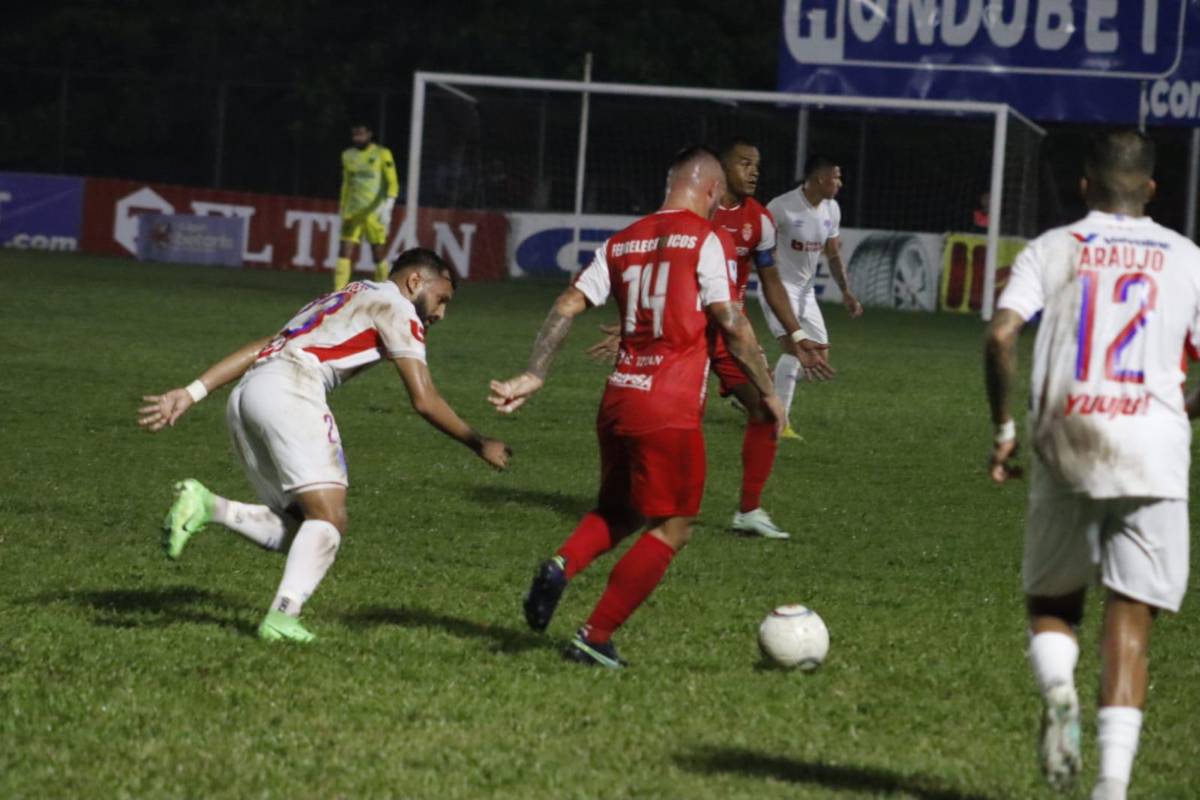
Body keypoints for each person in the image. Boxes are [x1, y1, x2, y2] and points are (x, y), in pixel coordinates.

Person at [488, 146, 799, 668]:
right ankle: (595, 636)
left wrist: (535, 372)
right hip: (668, 409)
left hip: (618, 401)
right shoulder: (707, 239)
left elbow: (567, 304)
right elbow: (731, 320)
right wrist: (767, 391)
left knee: (620, 510)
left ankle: (562, 565)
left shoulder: (621, 240)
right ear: (711, 190)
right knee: (674, 526)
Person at [139, 248, 510, 643]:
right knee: (331, 518)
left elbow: (267, 343)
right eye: (441, 299)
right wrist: (479, 443)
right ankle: (282, 618)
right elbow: (425, 399)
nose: (441, 313)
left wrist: (193, 391)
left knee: (305, 525)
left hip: (248, 395)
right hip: (291, 389)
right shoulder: (398, 308)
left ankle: (209, 506)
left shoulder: (351, 292)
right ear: (415, 281)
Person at [984, 130, 1200, 800]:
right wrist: (1182, 410)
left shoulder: (1054, 246)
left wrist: (1004, 428)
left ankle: (1058, 691)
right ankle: (1111, 787)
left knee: (1054, 603)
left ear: (1085, 186)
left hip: (1067, 442)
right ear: (1152, 189)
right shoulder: (1188, 258)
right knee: (1129, 620)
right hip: (1154, 452)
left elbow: (1000, 334)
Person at [762, 154, 863, 439]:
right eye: (836, 177)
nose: (840, 183)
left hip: (806, 294)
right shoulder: (781, 207)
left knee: (819, 358)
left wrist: (846, 292)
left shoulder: (832, 209)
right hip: (781, 289)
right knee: (795, 351)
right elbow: (758, 246)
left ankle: (763, 389)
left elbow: (833, 254)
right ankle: (779, 424)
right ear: (820, 179)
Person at [334, 123, 399, 289]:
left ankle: (384, 290)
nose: (357, 138)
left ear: (369, 134)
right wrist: (343, 206)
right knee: (344, 250)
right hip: (353, 211)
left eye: (361, 134)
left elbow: (392, 181)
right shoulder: (348, 155)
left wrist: (388, 205)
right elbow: (347, 183)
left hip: (374, 211)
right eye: (355, 135)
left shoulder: (382, 154)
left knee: (378, 253)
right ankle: (338, 292)